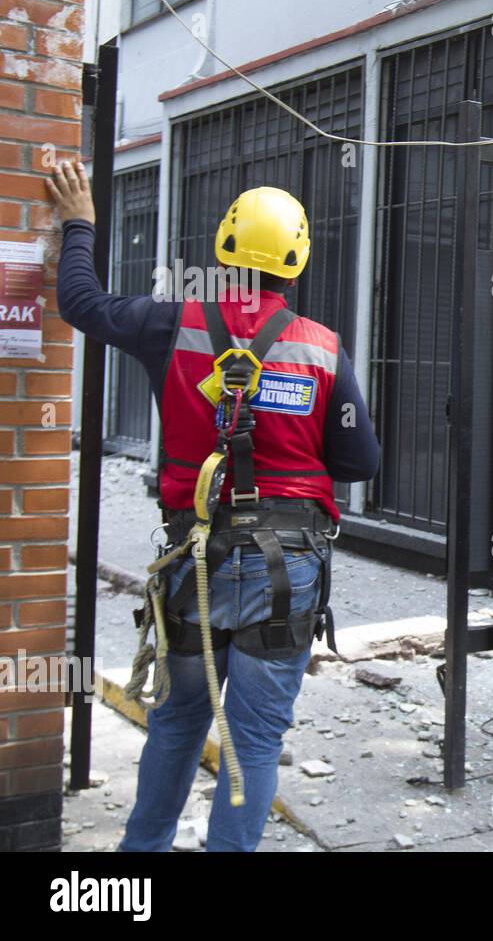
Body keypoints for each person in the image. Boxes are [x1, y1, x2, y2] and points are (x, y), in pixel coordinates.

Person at [47, 163, 380, 851]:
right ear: (297, 261)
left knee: (177, 723)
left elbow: (81, 302)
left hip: (193, 557)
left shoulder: (172, 324)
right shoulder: (321, 350)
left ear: (224, 252)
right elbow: (360, 462)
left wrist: (80, 221)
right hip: (285, 573)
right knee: (253, 740)